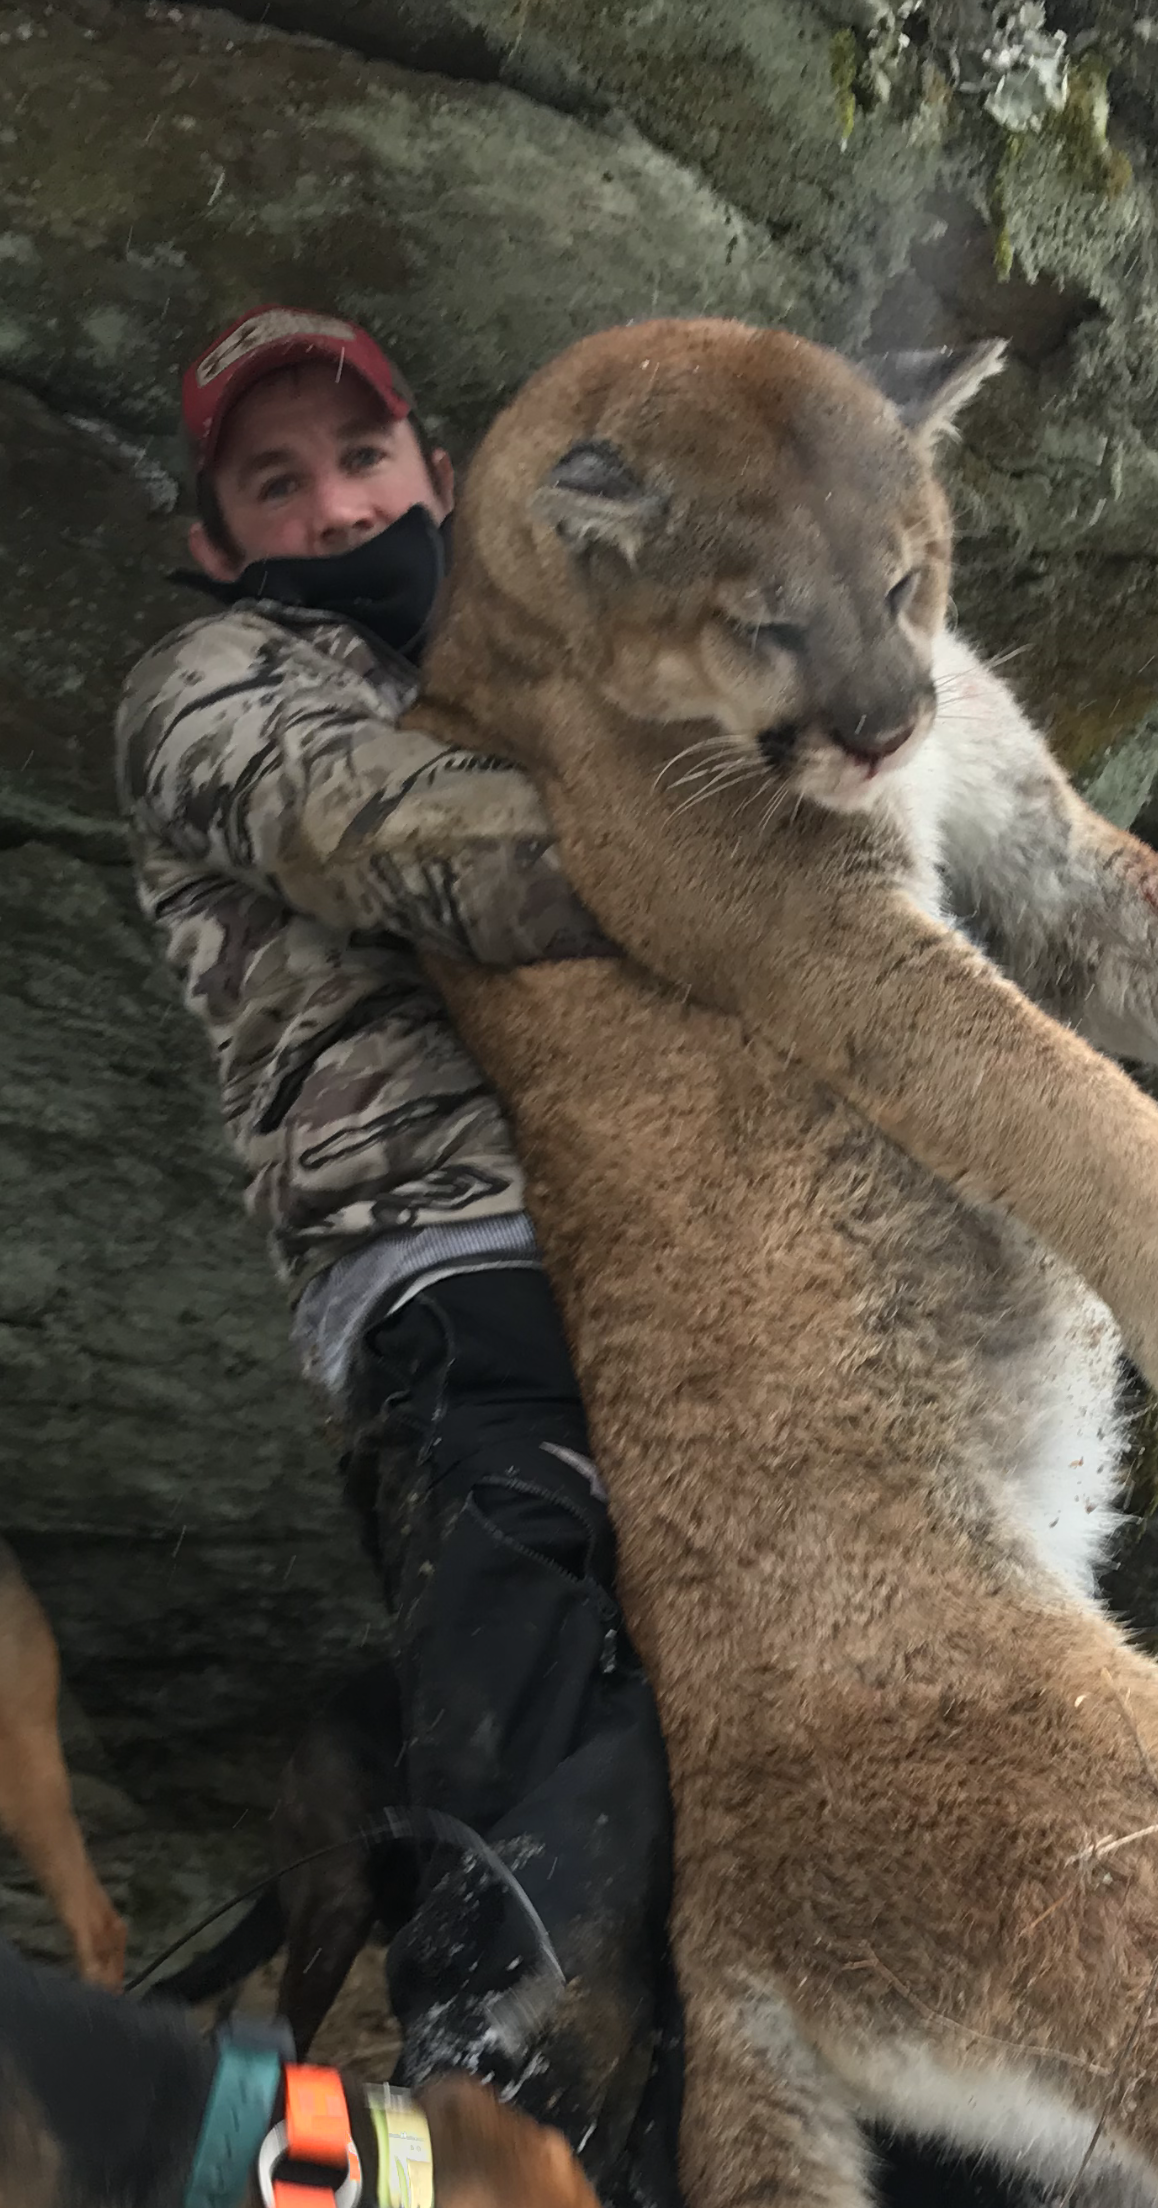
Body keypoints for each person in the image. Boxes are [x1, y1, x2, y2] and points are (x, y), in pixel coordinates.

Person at [114, 305, 681, 2208]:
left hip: (669, 1268)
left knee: (740, 1769)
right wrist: (738, 834)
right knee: (547, 1827)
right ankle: (479, 2151)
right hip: (457, 1274)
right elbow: (397, 846)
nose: (335, 501)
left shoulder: (534, 664)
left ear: (436, 468)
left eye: (360, 459)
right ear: (218, 539)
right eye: (275, 483)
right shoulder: (211, 684)